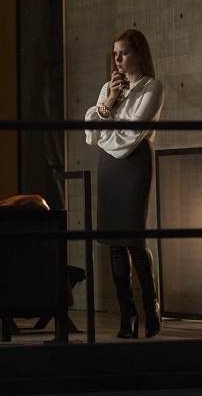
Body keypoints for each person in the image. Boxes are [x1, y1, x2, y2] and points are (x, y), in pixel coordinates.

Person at [84, 29, 165, 338]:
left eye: (125, 52)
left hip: (135, 163)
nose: (118, 59)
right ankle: (126, 313)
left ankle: (151, 304)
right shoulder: (108, 88)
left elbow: (131, 135)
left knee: (134, 238)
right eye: (115, 54)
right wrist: (110, 101)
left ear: (139, 54)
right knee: (114, 242)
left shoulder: (152, 87)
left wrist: (105, 125)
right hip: (108, 166)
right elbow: (91, 132)